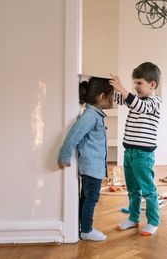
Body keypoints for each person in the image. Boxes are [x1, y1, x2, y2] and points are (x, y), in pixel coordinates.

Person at [58, 77, 114, 241]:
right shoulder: (90, 115)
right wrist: (64, 156)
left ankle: (83, 227)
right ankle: (87, 230)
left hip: (93, 167)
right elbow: (74, 136)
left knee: (86, 197)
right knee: (91, 198)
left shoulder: (94, 114)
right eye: (112, 96)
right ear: (102, 96)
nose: (114, 100)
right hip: (91, 167)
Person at [110, 62, 162, 236]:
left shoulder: (154, 102)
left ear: (152, 84)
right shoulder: (135, 101)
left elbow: (139, 106)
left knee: (148, 190)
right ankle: (133, 218)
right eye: (135, 83)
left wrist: (124, 89)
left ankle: (153, 222)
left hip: (143, 155)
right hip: (130, 153)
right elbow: (120, 99)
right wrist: (111, 88)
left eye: (139, 83)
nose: (136, 87)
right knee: (132, 189)